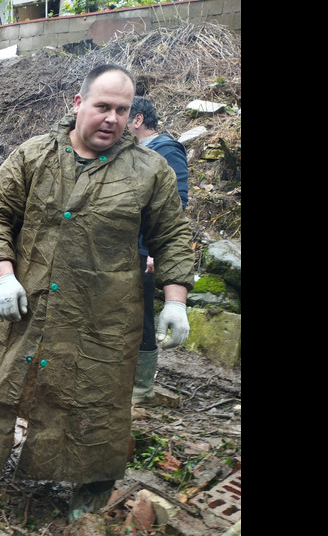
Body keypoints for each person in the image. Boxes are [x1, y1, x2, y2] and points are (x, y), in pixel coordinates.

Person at [0, 64, 194, 522]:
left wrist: (176, 301)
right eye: (103, 106)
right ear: (78, 103)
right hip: (23, 296)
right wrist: (3, 275)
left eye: (122, 110)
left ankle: (93, 482)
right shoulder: (33, 155)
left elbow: (173, 236)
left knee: (96, 397)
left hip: (101, 312)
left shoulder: (149, 170)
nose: (112, 118)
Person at [126, 95, 190, 406]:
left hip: (145, 248)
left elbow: (176, 203)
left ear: (137, 119)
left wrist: (155, 251)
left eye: (124, 114)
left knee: (142, 317)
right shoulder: (129, 152)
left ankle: (140, 389)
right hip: (123, 248)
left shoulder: (165, 148)